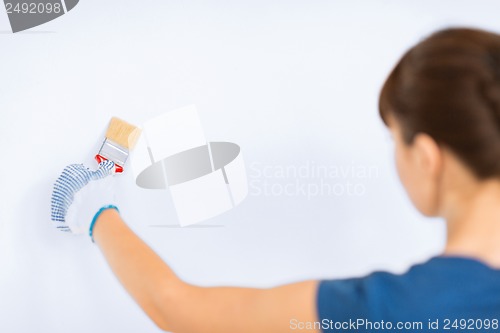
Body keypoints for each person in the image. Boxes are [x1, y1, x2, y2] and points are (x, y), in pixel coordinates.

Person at [50, 27, 500, 333]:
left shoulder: (405, 311)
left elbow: (178, 308)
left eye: (393, 140)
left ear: (425, 156)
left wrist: (95, 210)